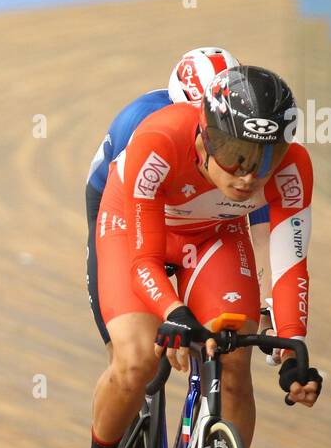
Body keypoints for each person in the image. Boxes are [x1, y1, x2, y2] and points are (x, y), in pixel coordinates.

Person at [71, 66, 323, 448]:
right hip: (135, 230)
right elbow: (143, 260)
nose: (249, 174)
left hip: (214, 237)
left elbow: (292, 264)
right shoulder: (159, 139)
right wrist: (174, 309)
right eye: (235, 157)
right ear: (206, 138)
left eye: (264, 159)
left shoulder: (294, 170)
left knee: (234, 369)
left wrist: (293, 346)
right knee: (138, 360)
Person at [86, 47, 243, 345]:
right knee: (128, 348)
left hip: (192, 208)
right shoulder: (142, 119)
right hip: (120, 200)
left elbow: (257, 216)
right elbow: (133, 205)